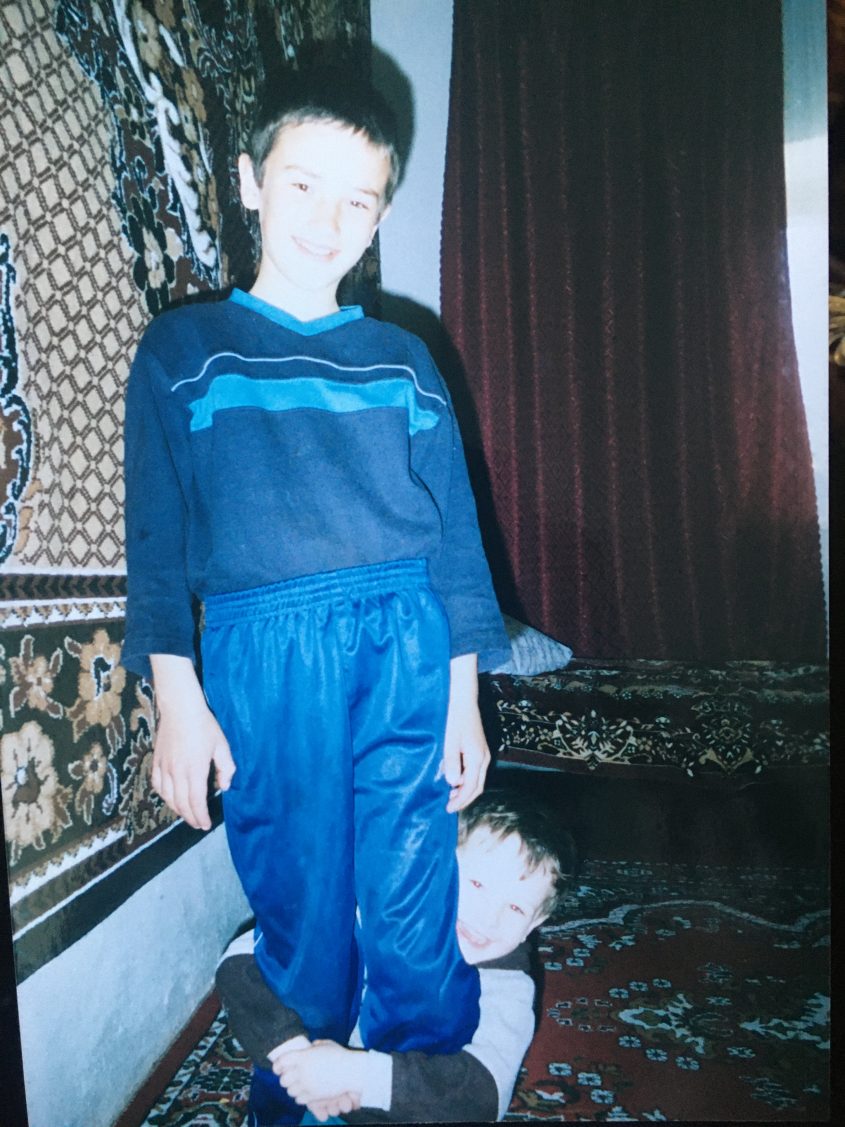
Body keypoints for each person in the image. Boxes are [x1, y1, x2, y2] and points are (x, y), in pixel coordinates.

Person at [121, 64, 510, 1125]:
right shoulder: (182, 350)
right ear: (249, 182)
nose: (328, 220)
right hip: (264, 651)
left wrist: (462, 695)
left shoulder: (404, 357)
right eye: (302, 185)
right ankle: (297, 1100)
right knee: (301, 900)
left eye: (358, 199)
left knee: (413, 885)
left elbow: (454, 540)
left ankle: (410, 1091)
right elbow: (156, 541)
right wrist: (176, 699)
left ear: (380, 212)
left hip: (405, 636)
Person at [216, 790, 577, 1124]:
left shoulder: (509, 986)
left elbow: (485, 1096)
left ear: (535, 924)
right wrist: (293, 1054)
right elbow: (240, 962)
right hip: (307, 1090)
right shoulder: (377, 913)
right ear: (435, 865)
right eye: (478, 884)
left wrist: (355, 1075)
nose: (488, 917)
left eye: (515, 908)